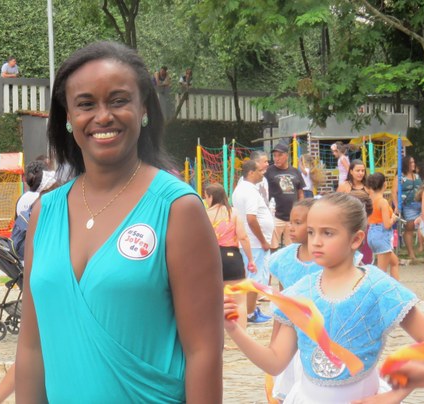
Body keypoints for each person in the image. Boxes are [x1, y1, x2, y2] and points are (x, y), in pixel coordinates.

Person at [16, 41, 223, 402]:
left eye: (118, 100)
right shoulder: (44, 212)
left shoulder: (177, 209)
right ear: (67, 117)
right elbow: (32, 347)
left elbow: (203, 352)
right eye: (85, 104)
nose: (103, 116)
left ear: (144, 109)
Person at [223, 192, 424, 403]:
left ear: (356, 239)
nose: (316, 242)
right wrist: (234, 329)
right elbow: (275, 362)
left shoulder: (379, 288)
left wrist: (395, 394)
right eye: (311, 232)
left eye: (328, 233)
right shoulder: (299, 293)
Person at [266, 198, 315, 401]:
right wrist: (274, 342)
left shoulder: (329, 258)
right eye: (291, 222)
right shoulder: (284, 259)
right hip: (291, 339)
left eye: (298, 223)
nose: (291, 227)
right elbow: (281, 304)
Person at [204, 184, 254, 330]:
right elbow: (243, 237)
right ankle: (241, 335)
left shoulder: (204, 214)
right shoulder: (233, 212)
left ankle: (215, 335)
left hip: (211, 257)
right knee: (239, 301)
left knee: (212, 300)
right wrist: (251, 259)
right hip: (232, 258)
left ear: (211, 197)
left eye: (206, 197)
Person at [233, 160, 274, 323]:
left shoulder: (241, 188)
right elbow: (251, 218)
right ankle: (250, 313)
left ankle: (250, 309)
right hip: (255, 242)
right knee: (254, 280)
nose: (262, 173)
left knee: (252, 278)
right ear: (250, 172)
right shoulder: (249, 191)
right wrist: (263, 240)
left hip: (251, 241)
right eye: (258, 170)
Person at [265, 142, 305, 249]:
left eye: (280, 155)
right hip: (275, 215)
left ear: (287, 156)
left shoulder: (295, 171)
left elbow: (300, 192)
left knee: (291, 247)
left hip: (292, 216)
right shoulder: (268, 171)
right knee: (272, 246)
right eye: (274, 156)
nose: (276, 158)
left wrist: (301, 209)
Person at [366, 173, 400, 280]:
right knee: (382, 272)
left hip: (372, 233)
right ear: (384, 185)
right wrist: (393, 218)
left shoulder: (369, 200)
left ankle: (396, 286)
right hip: (382, 234)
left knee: (394, 262)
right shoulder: (383, 202)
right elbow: (387, 224)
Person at [392, 155, 422, 263]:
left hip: (420, 204)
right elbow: (394, 192)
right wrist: (396, 206)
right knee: (410, 226)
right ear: (405, 164)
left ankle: (422, 248)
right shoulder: (399, 177)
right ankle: (411, 253)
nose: (413, 164)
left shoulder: (417, 176)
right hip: (408, 205)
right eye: (410, 163)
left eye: (413, 162)